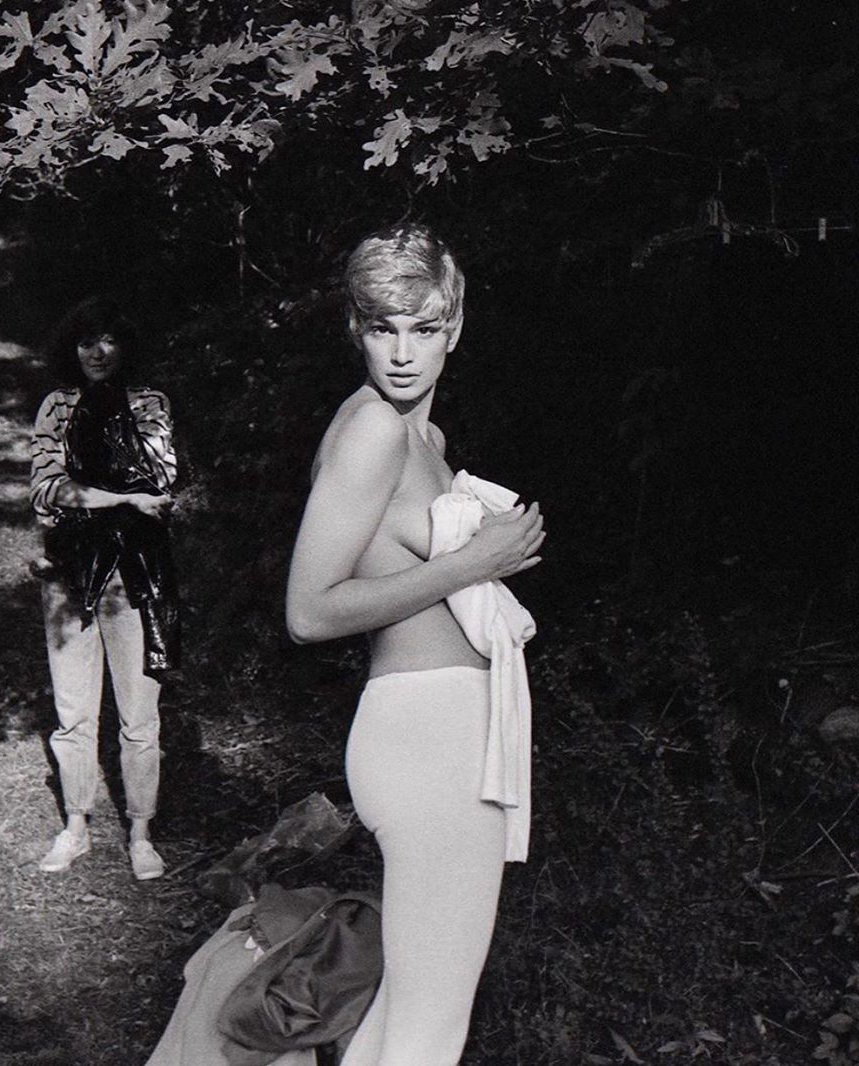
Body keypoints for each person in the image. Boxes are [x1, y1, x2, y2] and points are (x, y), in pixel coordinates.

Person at [285, 224, 545, 1065]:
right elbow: (309, 611)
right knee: (430, 1033)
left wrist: (474, 564)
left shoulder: (423, 441)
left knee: (409, 1015)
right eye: (381, 328)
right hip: (426, 740)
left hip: (454, 732)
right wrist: (470, 564)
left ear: (453, 327)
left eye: (423, 328)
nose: (402, 353)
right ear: (354, 328)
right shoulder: (372, 430)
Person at [30, 295, 179, 881]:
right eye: (86, 341)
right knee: (73, 711)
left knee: (140, 714)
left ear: (126, 346)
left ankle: (141, 833)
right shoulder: (56, 406)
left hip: (135, 573)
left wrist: (92, 496)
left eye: (109, 339)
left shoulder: (150, 404)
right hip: (67, 573)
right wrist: (122, 499)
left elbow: (160, 483)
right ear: (71, 348)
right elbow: (46, 491)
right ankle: (75, 826)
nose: (97, 352)